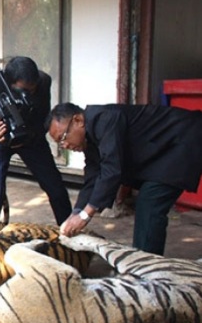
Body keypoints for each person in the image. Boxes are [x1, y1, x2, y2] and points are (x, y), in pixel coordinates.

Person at [48, 102, 202, 255]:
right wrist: (75, 213)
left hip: (183, 139)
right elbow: (93, 178)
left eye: (63, 138)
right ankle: (142, 262)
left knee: (150, 202)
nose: (65, 145)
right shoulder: (90, 138)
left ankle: (143, 268)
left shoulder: (104, 119)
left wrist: (85, 215)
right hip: (165, 150)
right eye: (60, 144)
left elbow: (112, 169)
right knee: (149, 200)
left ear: (78, 121)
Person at [0, 56, 72, 230]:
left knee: (54, 184)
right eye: (23, 90)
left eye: (32, 90)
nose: (29, 94)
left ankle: (70, 230)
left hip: (31, 138)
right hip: (1, 139)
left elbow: (43, 121)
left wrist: (28, 135)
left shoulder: (43, 82)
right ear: (8, 84)